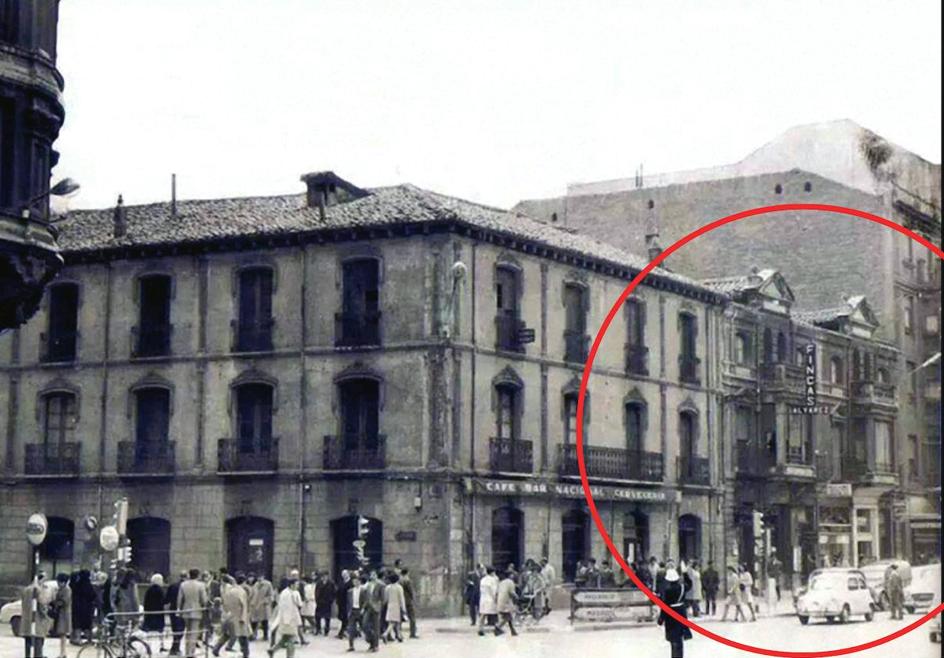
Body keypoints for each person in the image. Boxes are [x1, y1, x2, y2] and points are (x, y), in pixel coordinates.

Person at [657, 568, 693, 658]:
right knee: (680, 638)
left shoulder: (668, 591)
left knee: (673, 639)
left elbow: (664, 606)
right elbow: (690, 584)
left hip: (671, 615)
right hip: (681, 612)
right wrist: (685, 573)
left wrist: (660, 620)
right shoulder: (682, 587)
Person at [214, 575, 250, 658]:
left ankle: (216, 648)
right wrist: (243, 617)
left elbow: (225, 604)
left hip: (230, 615)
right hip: (239, 615)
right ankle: (246, 654)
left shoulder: (229, 591)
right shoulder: (241, 591)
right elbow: (244, 605)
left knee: (227, 634)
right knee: (243, 635)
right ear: (243, 582)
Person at [178, 568, 209, 658]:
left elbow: (180, 599)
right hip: (197, 610)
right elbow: (204, 599)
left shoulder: (183, 585)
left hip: (186, 610)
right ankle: (192, 652)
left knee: (188, 631)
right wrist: (204, 605)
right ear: (198, 575)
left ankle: (187, 651)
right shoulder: (201, 585)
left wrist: (179, 609)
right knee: (194, 632)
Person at [269, 579, 303, 658]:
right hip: (290, 620)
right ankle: (290, 656)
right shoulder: (292, 594)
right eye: (296, 584)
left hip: (286, 619)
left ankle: (273, 650)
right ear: (292, 585)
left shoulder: (284, 593)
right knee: (291, 638)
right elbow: (298, 604)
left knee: (285, 638)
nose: (297, 586)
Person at [22, 570, 52, 658]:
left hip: (27, 618)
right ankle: (38, 655)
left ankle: (27, 655)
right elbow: (41, 604)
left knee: (28, 639)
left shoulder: (26, 590)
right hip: (37, 618)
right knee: (38, 638)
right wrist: (46, 613)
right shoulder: (38, 590)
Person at [361, 571, 385, 653]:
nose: (372, 576)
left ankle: (375, 645)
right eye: (371, 575)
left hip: (376, 608)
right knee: (364, 624)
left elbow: (383, 598)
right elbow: (366, 597)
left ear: (376, 576)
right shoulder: (368, 585)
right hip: (368, 607)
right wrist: (363, 607)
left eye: (374, 574)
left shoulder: (381, 585)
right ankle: (371, 640)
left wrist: (379, 606)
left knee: (376, 627)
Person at [143, 574, 168, 652]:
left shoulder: (149, 590)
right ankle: (161, 646)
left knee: (148, 631)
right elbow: (163, 601)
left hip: (149, 613)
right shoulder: (160, 590)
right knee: (160, 631)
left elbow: (145, 601)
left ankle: (147, 647)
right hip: (159, 612)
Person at [71, 569, 96, 644]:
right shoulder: (89, 585)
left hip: (77, 607)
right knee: (87, 625)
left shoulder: (76, 584)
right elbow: (93, 595)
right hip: (87, 608)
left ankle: (78, 639)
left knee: (77, 624)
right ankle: (89, 640)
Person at [50, 572, 72, 658]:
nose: (58, 583)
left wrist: (55, 603)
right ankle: (62, 652)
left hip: (64, 614)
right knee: (62, 634)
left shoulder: (67, 590)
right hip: (61, 614)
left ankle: (63, 652)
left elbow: (64, 601)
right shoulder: (62, 589)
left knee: (63, 634)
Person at [166, 571, 188, 656]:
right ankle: (175, 648)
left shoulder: (173, 586)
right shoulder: (186, 587)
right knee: (180, 629)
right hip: (183, 610)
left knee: (175, 629)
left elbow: (167, 599)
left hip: (173, 609)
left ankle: (175, 647)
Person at [382, 572, 408, 642]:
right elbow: (402, 599)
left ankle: (399, 636)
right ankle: (385, 634)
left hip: (390, 606)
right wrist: (404, 608)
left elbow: (385, 599)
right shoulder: (399, 587)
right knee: (393, 622)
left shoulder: (387, 587)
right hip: (397, 606)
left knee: (395, 622)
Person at [250, 573, 275, 641]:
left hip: (264, 606)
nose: (259, 579)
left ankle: (265, 636)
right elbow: (252, 594)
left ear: (263, 577)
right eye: (258, 578)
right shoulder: (255, 585)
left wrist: (265, 601)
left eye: (261, 577)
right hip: (255, 606)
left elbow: (271, 595)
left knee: (265, 622)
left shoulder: (268, 584)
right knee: (254, 622)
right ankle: (254, 635)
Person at [494, 570, 518, 636]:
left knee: (508, 617)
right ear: (510, 575)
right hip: (505, 603)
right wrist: (517, 597)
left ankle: (513, 631)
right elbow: (512, 592)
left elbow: (497, 592)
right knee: (508, 617)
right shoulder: (510, 582)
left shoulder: (501, 582)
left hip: (500, 602)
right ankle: (497, 627)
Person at [345, 572, 365, 652]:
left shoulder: (363, 590)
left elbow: (365, 601)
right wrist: (348, 611)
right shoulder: (350, 591)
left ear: (360, 582)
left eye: (357, 581)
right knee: (351, 629)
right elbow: (348, 603)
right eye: (354, 581)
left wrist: (363, 609)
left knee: (365, 627)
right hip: (353, 611)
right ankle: (351, 645)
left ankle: (372, 643)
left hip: (360, 610)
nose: (355, 583)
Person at [477, 566, 500, 636]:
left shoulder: (483, 580)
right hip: (490, 599)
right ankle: (498, 628)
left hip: (483, 599)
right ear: (493, 572)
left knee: (483, 614)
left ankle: (480, 628)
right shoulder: (493, 580)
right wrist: (496, 599)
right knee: (497, 614)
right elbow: (494, 591)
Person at [315, 571, 337, 636]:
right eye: (323, 576)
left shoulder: (331, 583)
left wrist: (331, 600)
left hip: (327, 602)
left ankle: (326, 630)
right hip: (320, 602)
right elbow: (316, 592)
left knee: (327, 618)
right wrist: (317, 600)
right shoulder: (319, 583)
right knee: (317, 616)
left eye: (325, 576)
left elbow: (334, 592)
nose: (324, 577)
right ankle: (318, 629)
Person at [400, 567, 418, 639]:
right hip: (408, 601)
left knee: (399, 618)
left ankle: (398, 633)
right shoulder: (407, 581)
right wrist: (414, 599)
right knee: (412, 617)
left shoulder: (399, 580)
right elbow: (411, 591)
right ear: (407, 572)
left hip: (401, 601)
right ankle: (412, 633)